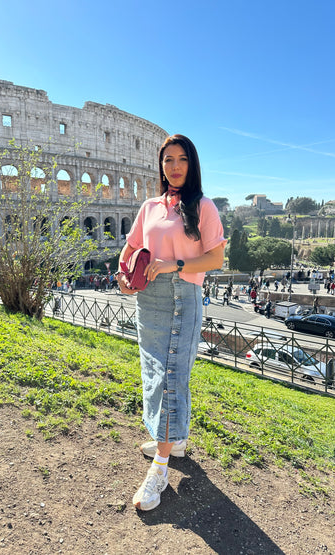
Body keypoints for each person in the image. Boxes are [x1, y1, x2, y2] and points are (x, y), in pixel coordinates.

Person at [117, 134, 226, 512]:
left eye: (182, 159)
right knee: (153, 373)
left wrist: (176, 265)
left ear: (192, 165)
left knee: (172, 378)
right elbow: (130, 246)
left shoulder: (204, 206)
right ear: (160, 165)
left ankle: (160, 466)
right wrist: (123, 273)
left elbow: (215, 260)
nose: (175, 166)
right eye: (168, 160)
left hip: (183, 295)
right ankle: (173, 440)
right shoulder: (150, 207)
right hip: (149, 299)